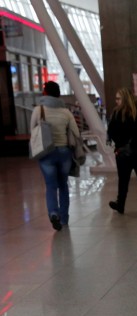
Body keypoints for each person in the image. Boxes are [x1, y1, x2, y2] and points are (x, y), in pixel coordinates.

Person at [30, 81, 80, 231]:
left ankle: (53, 213)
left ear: (45, 93)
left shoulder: (39, 110)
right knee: (63, 185)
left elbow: (32, 130)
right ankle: (64, 218)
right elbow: (76, 133)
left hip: (46, 153)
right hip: (64, 153)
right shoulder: (66, 112)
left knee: (51, 186)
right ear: (59, 94)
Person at [107, 88, 137, 218]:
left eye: (118, 99)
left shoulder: (117, 114)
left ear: (125, 99)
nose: (116, 101)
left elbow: (112, 132)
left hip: (124, 153)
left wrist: (118, 141)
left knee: (123, 180)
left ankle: (120, 205)